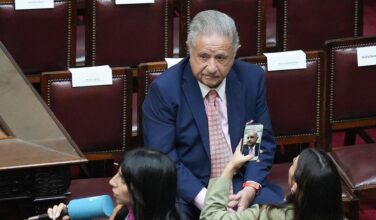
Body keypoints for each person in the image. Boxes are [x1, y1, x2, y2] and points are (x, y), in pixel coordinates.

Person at [142, 10, 283, 219]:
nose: (212, 68)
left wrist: (250, 187)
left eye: (221, 58)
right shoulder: (165, 90)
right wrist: (210, 200)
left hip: (240, 183)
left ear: (235, 52)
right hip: (191, 191)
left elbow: (259, 140)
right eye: (204, 57)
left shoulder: (251, 80)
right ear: (189, 50)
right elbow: (164, 159)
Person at [200, 146, 343, 220]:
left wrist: (230, 167)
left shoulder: (269, 214)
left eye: (293, 163)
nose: (292, 159)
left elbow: (211, 217)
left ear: (294, 187)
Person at [47, 148, 181, 220]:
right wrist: (71, 213)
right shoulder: (123, 210)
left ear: (145, 189)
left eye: (122, 179)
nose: (111, 182)